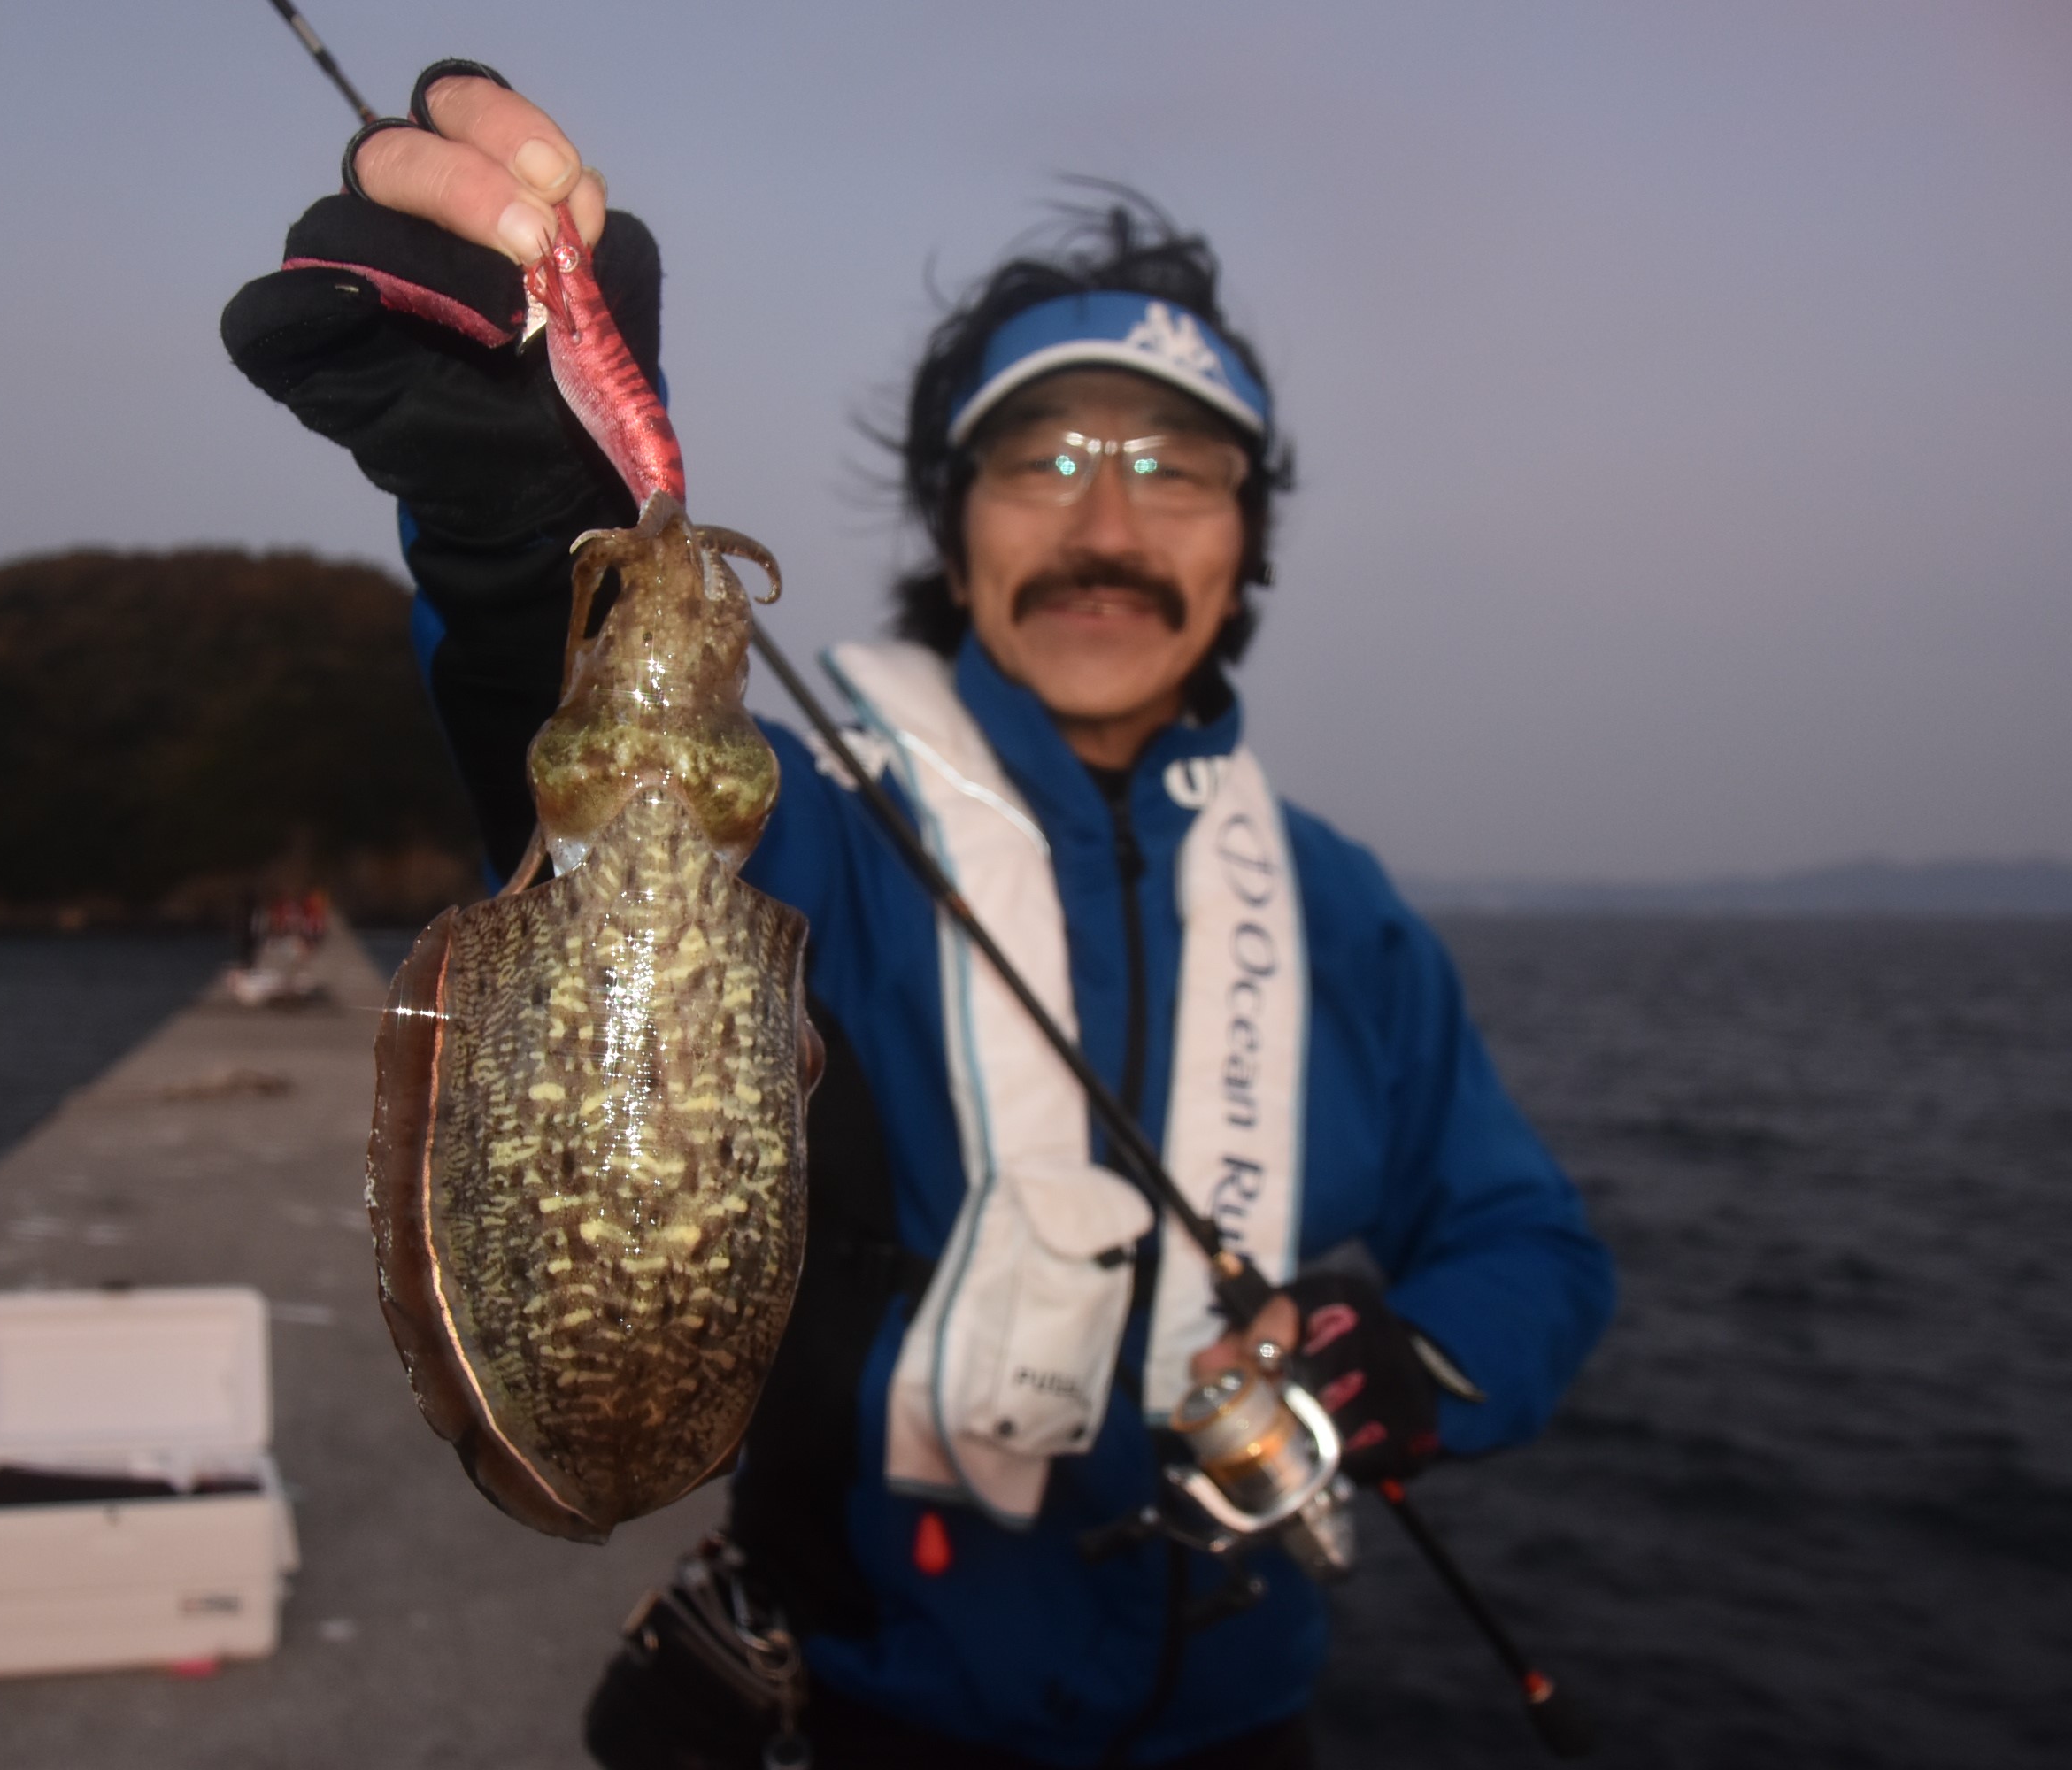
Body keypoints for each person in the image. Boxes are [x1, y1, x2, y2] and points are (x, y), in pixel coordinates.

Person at [224, 61, 1614, 1770]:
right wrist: (528, 538)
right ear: (953, 533)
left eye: (1177, 468)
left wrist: (1409, 1361)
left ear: (1246, 540)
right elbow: (581, 790)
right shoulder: (805, 832)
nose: (1107, 522)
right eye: (1043, 458)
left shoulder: (1350, 918)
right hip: (872, 1706)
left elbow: (1531, 1245)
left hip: (1248, 1721)